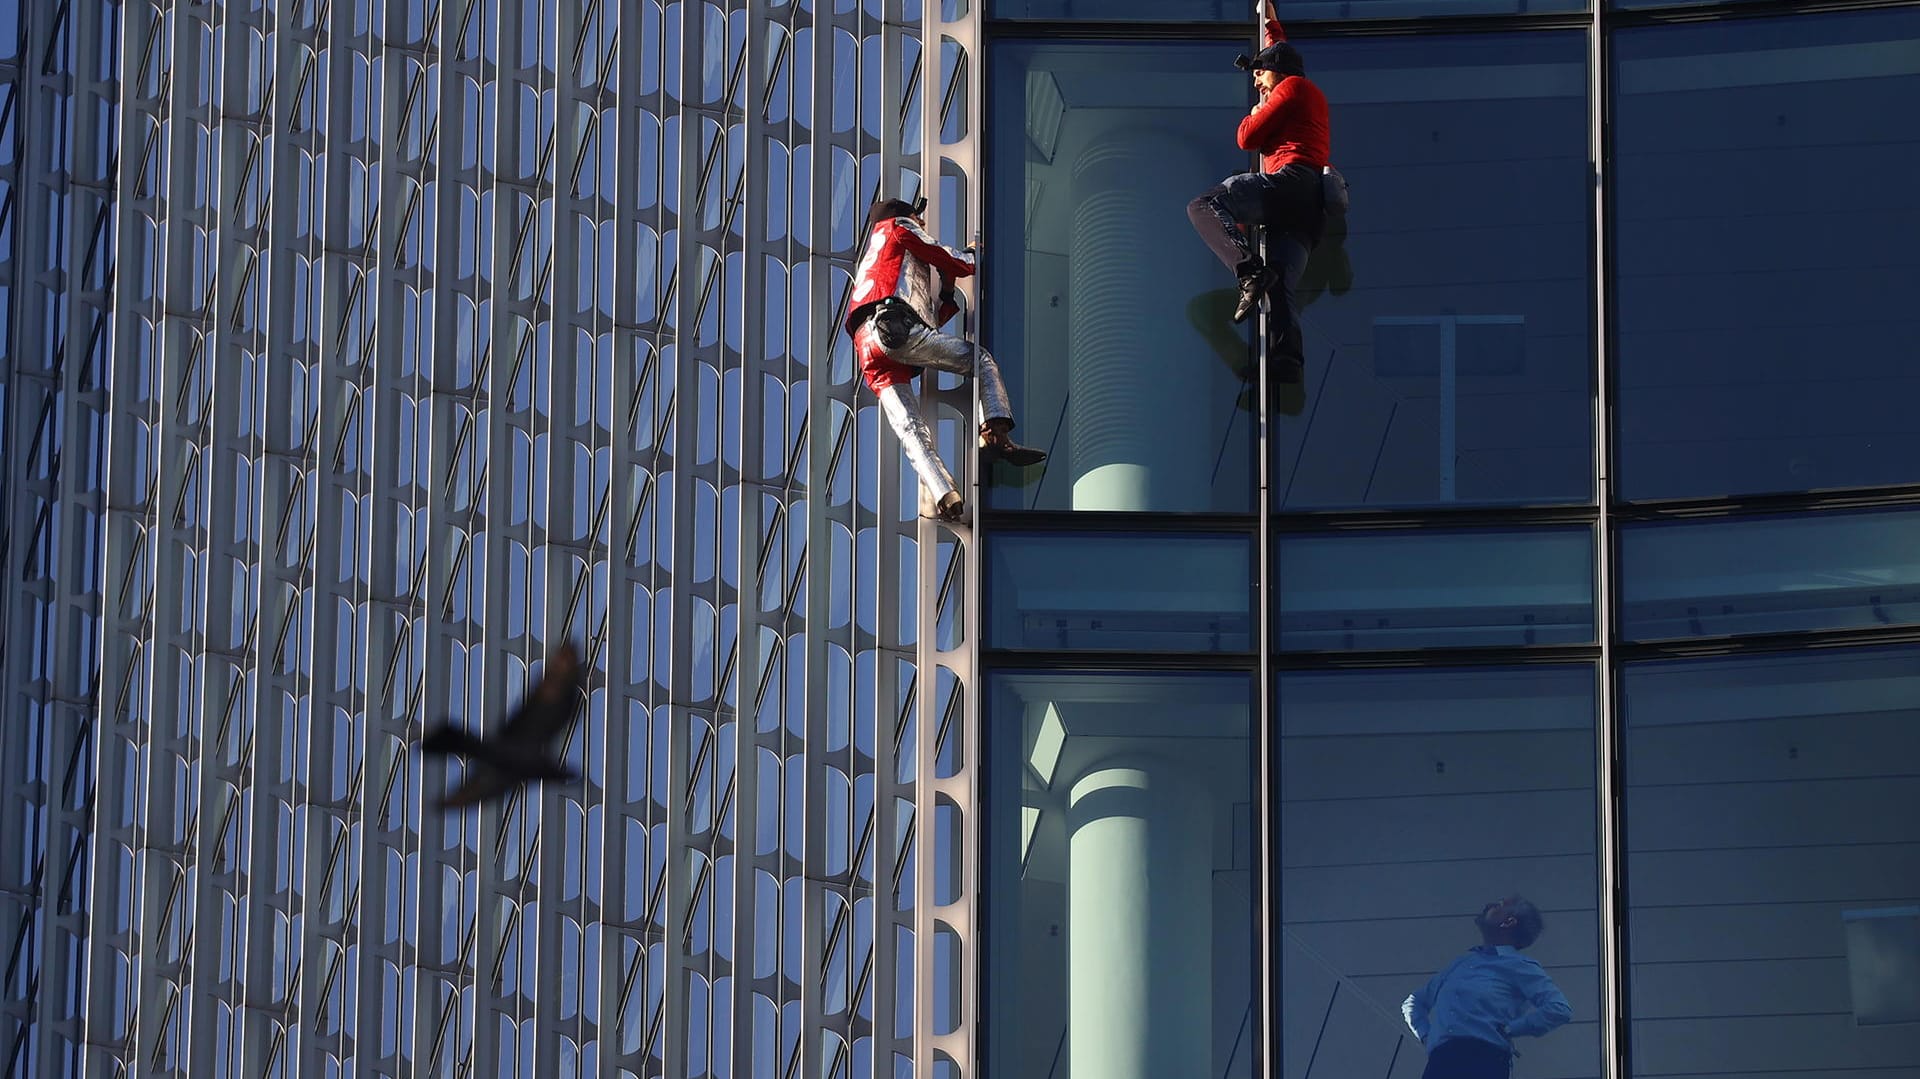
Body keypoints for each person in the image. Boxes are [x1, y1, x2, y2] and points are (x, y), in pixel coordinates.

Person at [846, 195, 1044, 523]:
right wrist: (969, 257)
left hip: (870, 345)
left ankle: (944, 493)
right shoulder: (897, 227)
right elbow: (947, 255)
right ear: (905, 216)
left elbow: (934, 320)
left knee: (910, 427)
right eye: (917, 217)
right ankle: (995, 433)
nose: (922, 222)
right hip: (893, 326)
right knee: (980, 360)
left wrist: (948, 285)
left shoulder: (878, 258)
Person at [1186, 1, 1348, 377]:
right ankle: (1287, 360)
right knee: (1280, 286)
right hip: (1309, 211)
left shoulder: (1291, 88)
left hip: (1291, 184)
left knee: (1203, 205)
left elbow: (1247, 138)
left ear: (1277, 72)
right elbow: (1279, 54)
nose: (1256, 83)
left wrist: (1255, 114)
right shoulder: (1300, 88)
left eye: (1259, 75)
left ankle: (1245, 271)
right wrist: (1271, 24)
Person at [1401, 895, 1574, 1078]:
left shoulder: (1519, 965)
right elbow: (1413, 1002)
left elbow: (1559, 1008)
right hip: (1440, 1062)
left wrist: (1512, 1028)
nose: (1489, 905)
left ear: (1509, 922)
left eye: (1499, 905)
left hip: (1483, 1061)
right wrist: (1427, 1036)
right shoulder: (1462, 963)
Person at [419, 640, 584, 808]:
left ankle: (447, 742)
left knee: (470, 748)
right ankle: (446, 742)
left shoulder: (519, 767)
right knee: (469, 748)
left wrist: (455, 800)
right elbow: (484, 790)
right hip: (493, 749)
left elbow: (484, 790)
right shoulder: (519, 769)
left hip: (495, 748)